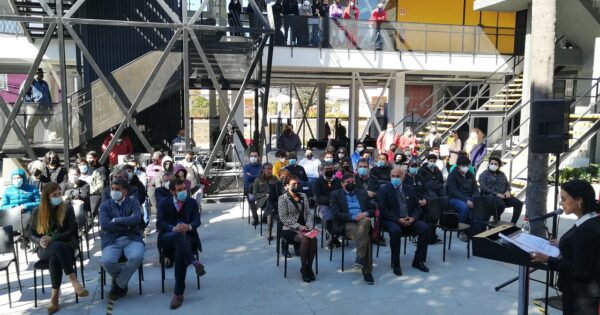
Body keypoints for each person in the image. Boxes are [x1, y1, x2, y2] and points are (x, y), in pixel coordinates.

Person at [531, 180, 600, 315]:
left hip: (581, 296)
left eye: (563, 199)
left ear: (579, 200)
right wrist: (562, 243)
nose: (560, 203)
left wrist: (549, 259)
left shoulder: (586, 230)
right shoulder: (590, 220)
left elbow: (581, 272)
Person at [29, 183, 88, 314]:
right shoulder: (37, 211)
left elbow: (71, 231)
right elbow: (31, 233)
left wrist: (53, 239)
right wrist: (39, 241)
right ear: (46, 197)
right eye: (54, 195)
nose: (58, 197)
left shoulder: (67, 208)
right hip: (44, 248)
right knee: (56, 249)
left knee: (56, 256)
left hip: (66, 245)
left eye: (59, 194)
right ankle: (74, 282)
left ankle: (54, 297)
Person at [157, 178, 205, 309]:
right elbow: (160, 223)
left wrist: (189, 227)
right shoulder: (163, 203)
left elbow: (197, 221)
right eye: (179, 190)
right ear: (172, 192)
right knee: (177, 235)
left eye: (184, 189)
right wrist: (173, 228)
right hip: (168, 236)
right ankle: (194, 262)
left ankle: (178, 294)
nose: (183, 191)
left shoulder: (192, 202)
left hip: (187, 237)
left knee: (180, 254)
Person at [378, 167, 431, 276]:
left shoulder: (409, 189)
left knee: (425, 229)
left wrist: (413, 218)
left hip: (408, 219)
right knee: (395, 231)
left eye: (398, 176)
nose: (395, 178)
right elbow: (383, 210)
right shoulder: (384, 189)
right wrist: (398, 219)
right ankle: (395, 263)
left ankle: (418, 261)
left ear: (403, 177)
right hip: (391, 220)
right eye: (393, 176)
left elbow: (417, 207)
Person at [99, 178, 145, 301]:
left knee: (138, 256)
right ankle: (122, 282)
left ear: (125, 191)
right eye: (112, 189)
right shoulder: (105, 206)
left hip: (132, 239)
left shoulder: (133, 202)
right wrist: (127, 224)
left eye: (118, 189)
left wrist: (117, 220)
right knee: (107, 261)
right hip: (112, 241)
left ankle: (118, 284)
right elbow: (105, 225)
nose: (114, 192)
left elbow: (137, 219)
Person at [330, 173, 375, 284]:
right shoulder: (335, 194)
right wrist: (353, 217)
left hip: (363, 220)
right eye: (348, 182)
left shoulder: (362, 193)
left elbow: (372, 209)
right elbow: (336, 213)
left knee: (365, 221)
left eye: (353, 182)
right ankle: (366, 271)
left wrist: (365, 213)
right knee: (365, 236)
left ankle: (360, 259)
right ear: (342, 184)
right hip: (348, 223)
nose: (351, 184)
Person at [278, 175, 317, 282]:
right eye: (293, 184)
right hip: (289, 228)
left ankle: (309, 267)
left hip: (305, 227)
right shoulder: (282, 199)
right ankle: (304, 268)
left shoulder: (303, 196)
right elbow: (283, 218)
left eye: (297, 184)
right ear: (286, 186)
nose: (296, 186)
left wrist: (308, 224)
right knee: (304, 239)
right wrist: (299, 226)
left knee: (313, 239)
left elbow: (308, 214)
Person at [477, 156, 522, 224]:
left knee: (518, 203)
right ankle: (496, 222)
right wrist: (496, 194)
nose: (493, 165)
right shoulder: (484, 174)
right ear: (489, 164)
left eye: (496, 164)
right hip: (491, 196)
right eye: (491, 163)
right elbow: (483, 187)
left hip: (504, 195)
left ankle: (513, 223)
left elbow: (507, 184)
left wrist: (508, 191)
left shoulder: (502, 174)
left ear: (499, 165)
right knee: (501, 205)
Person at [447, 155, 480, 239]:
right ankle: (461, 230)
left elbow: (476, 189)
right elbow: (454, 191)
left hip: (469, 198)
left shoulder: (470, 175)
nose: (466, 167)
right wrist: (466, 200)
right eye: (463, 166)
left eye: (467, 165)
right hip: (455, 198)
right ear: (458, 166)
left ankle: (476, 230)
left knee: (481, 205)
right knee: (464, 207)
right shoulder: (452, 175)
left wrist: (472, 199)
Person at [313, 162, 342, 247]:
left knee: (342, 215)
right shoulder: (317, 182)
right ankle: (333, 236)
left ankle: (334, 236)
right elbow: (317, 197)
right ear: (322, 170)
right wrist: (329, 201)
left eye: (331, 169)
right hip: (323, 205)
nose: (330, 171)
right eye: (327, 169)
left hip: (337, 205)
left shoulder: (338, 181)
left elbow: (341, 194)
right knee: (329, 218)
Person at [22, 68, 54, 143]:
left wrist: (50, 106)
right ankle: (29, 139)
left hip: (45, 106)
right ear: (34, 74)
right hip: (34, 107)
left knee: (49, 123)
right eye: (39, 73)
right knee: (30, 123)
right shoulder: (30, 82)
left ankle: (53, 138)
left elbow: (48, 95)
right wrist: (30, 102)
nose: (41, 74)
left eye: (41, 73)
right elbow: (22, 92)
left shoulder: (45, 83)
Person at [252, 163, 279, 232]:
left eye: (271, 169)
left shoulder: (275, 179)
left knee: (272, 205)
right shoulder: (257, 180)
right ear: (263, 170)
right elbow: (255, 194)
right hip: (262, 201)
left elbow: (279, 189)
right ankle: (268, 224)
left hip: (273, 201)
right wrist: (265, 195)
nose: (270, 171)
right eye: (268, 169)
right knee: (270, 202)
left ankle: (266, 217)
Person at [244, 151, 263, 225]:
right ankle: (255, 218)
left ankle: (265, 217)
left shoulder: (261, 167)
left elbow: (262, 177)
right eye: (252, 156)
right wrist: (257, 176)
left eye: (255, 156)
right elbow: (248, 178)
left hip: (260, 188)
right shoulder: (246, 166)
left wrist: (252, 176)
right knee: (251, 199)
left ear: (258, 157)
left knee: (268, 198)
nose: (253, 157)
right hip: (249, 189)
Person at [146, 151, 164, 216]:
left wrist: (156, 174)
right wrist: (157, 173)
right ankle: (158, 211)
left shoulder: (164, 165)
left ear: (160, 159)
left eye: (156, 159)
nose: (154, 161)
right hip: (152, 184)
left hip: (162, 183)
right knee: (151, 194)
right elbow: (148, 173)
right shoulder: (150, 166)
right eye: (153, 159)